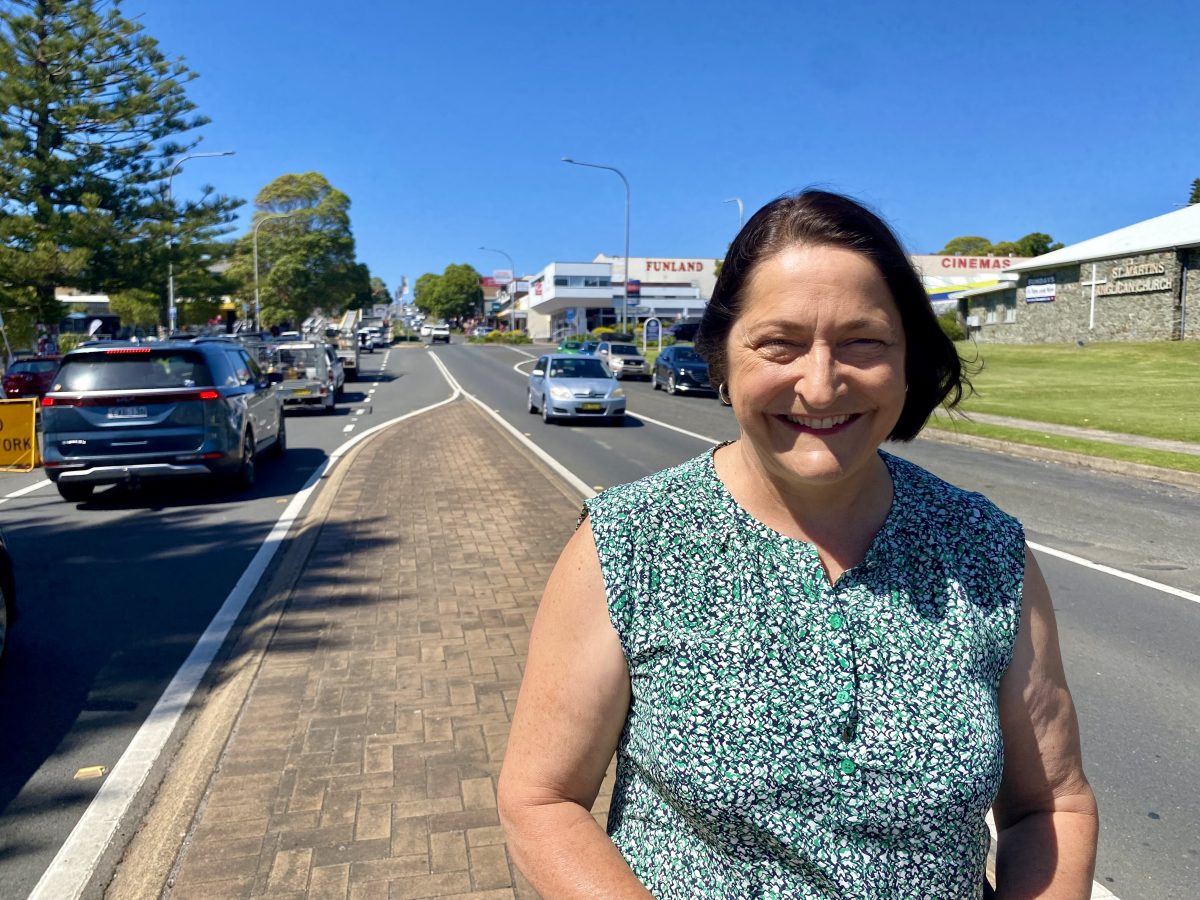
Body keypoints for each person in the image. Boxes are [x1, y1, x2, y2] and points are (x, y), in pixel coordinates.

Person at [497, 191, 1098, 899]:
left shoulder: (986, 551)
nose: (820, 384)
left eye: (863, 341)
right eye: (779, 344)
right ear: (721, 357)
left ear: (910, 358)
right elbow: (542, 800)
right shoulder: (629, 543)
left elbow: (1050, 804)